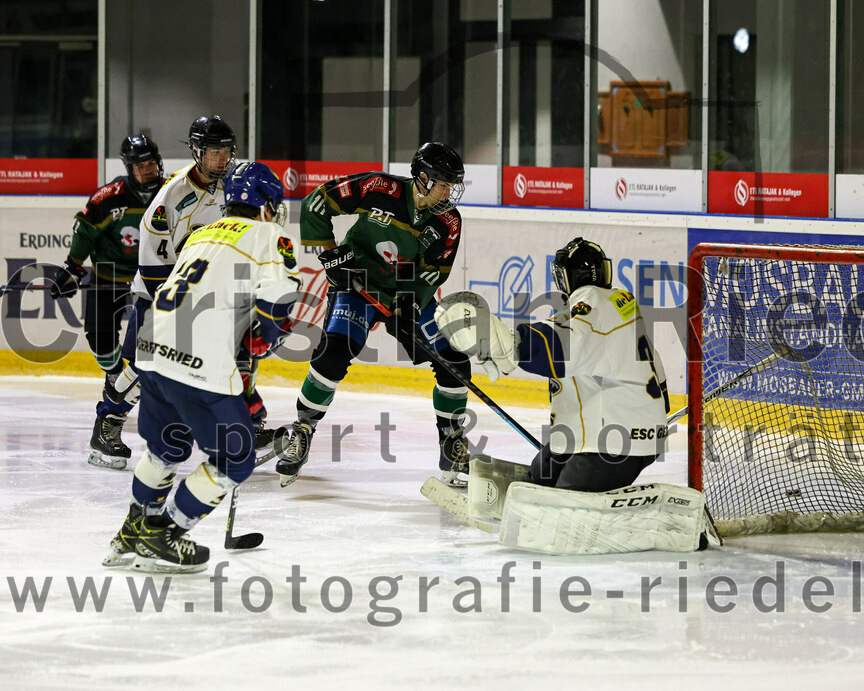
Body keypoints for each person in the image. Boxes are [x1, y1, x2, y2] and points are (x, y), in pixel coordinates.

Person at [104, 161, 300, 573]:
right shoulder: (270, 236)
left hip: (152, 351)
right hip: (199, 362)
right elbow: (276, 308)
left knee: (165, 450)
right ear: (266, 205)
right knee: (236, 459)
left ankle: (132, 531)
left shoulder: (202, 233)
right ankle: (164, 533)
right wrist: (265, 339)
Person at [277, 141, 473, 487]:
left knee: (453, 360)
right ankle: (302, 430)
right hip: (357, 285)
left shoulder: (448, 221)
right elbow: (316, 203)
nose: (448, 193)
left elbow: (432, 274)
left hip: (405, 293)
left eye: (451, 186)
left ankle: (451, 440)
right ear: (423, 178)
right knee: (334, 352)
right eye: (443, 185)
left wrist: (407, 306)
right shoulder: (380, 188)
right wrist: (331, 256)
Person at [90, 115, 261, 470]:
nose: (221, 160)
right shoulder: (171, 197)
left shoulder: (236, 186)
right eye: (213, 153)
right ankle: (107, 424)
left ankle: (247, 424)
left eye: (226, 152)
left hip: (211, 296)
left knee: (232, 359)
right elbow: (152, 263)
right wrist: (177, 308)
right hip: (162, 295)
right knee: (144, 368)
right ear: (197, 151)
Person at [435, 237, 670, 492]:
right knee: (541, 477)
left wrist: (515, 344)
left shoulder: (593, 302)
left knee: (560, 503)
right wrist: (504, 347)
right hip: (609, 434)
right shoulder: (617, 306)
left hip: (614, 441)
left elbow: (566, 345)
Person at [48, 134, 165, 470]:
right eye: (140, 166)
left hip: (152, 278)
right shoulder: (108, 197)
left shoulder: (171, 192)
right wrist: (72, 268)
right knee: (99, 338)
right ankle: (115, 376)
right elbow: (85, 230)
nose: (147, 170)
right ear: (129, 169)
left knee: (149, 349)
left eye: (150, 163)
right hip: (110, 273)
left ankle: (125, 395)